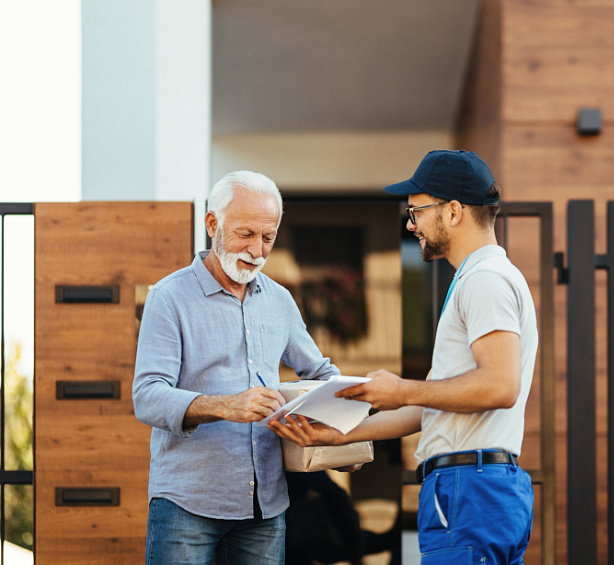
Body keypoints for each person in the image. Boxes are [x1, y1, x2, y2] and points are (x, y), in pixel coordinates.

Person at [270, 150, 539, 564]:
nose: (410, 223)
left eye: (416, 210)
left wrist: (398, 389)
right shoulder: (481, 278)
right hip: (477, 488)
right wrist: (339, 436)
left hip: (469, 488)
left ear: (452, 211)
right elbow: (430, 405)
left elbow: (500, 386)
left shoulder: (485, 280)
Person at [133, 170, 341, 565]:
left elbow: (322, 375)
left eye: (268, 238)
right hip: (185, 505)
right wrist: (226, 406)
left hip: (265, 506)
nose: (258, 251)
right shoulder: (169, 298)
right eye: (246, 234)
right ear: (212, 224)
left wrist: (343, 437)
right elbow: (147, 398)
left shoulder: (279, 301)